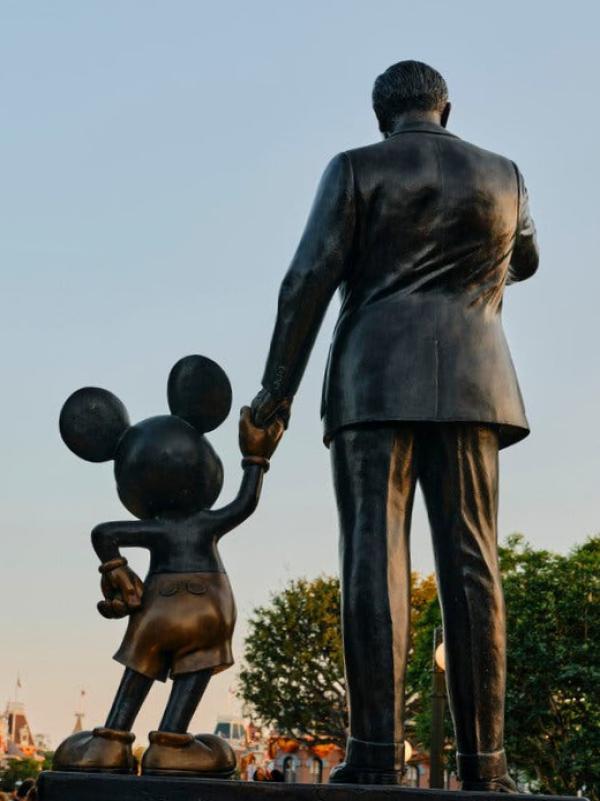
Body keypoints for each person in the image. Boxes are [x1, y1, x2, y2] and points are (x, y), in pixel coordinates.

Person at [251, 60, 538, 792]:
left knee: (373, 555)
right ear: (448, 108)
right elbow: (527, 258)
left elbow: (306, 279)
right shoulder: (504, 174)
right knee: (474, 561)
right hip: (476, 378)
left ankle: (376, 752)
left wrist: (272, 398)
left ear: (383, 117)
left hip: (373, 377)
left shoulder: (355, 169)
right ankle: (489, 767)